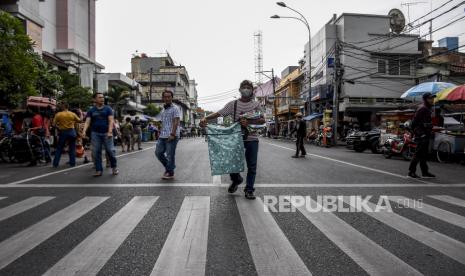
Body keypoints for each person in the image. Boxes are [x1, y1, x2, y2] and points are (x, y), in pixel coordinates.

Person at [200, 80, 265, 200]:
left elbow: (262, 120)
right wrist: (205, 118)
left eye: (248, 87)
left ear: (252, 90)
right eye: (243, 87)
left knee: (252, 166)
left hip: (252, 138)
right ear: (240, 90)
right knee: (231, 163)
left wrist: (249, 121)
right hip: (236, 138)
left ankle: (249, 190)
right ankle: (236, 180)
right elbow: (219, 113)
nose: (246, 89)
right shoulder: (233, 104)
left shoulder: (256, 104)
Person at [82, 93, 118, 176]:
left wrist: (109, 131)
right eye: (100, 97)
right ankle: (98, 170)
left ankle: (114, 167)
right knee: (95, 152)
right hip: (95, 133)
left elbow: (111, 121)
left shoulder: (108, 109)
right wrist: (84, 131)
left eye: (103, 97)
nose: (102, 99)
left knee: (110, 150)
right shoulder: (91, 110)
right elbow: (87, 121)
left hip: (106, 133)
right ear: (94, 100)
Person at [408, 92, 436, 179]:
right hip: (421, 136)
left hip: (426, 135)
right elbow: (413, 124)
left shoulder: (428, 109)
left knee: (424, 155)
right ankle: (411, 172)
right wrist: (421, 134)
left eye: (432, 98)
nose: (432, 100)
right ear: (425, 99)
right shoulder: (422, 109)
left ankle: (425, 172)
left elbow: (426, 123)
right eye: (430, 98)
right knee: (418, 154)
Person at [155, 89, 181, 180]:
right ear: (163, 98)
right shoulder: (163, 109)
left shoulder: (175, 108)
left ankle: (170, 172)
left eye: (169, 97)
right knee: (158, 153)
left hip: (172, 135)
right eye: (165, 97)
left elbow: (176, 121)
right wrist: (159, 131)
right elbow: (163, 122)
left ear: (172, 97)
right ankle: (169, 168)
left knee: (170, 155)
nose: (167, 98)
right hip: (162, 135)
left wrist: (173, 134)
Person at [52, 102, 81, 168]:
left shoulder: (58, 114)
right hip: (72, 132)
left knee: (59, 148)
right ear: (67, 107)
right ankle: (72, 163)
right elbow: (79, 120)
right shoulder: (72, 114)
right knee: (72, 148)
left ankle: (55, 164)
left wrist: (58, 127)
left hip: (63, 132)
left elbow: (53, 124)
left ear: (63, 107)